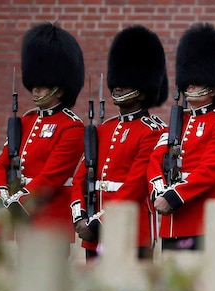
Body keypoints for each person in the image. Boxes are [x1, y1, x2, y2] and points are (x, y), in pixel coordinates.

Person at [70, 25, 167, 260]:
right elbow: (79, 178)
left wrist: (98, 222)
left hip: (130, 230)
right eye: (117, 82)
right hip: (93, 232)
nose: (118, 87)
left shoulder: (152, 131)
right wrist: (80, 215)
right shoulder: (104, 130)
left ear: (142, 92)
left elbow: (135, 187)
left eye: (126, 83)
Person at [147, 23, 215, 252]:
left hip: (205, 222)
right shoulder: (176, 124)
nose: (189, 85)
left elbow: (210, 171)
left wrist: (173, 195)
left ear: (213, 88)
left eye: (197, 81)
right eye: (188, 80)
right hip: (172, 220)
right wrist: (159, 190)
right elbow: (155, 160)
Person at [0, 22, 85, 232]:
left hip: (49, 223)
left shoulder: (72, 127)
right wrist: (2, 196)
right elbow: (1, 165)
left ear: (59, 90)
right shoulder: (26, 122)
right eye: (34, 83)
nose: (35, 89)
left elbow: (51, 177)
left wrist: (18, 201)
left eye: (42, 84)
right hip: (18, 218)